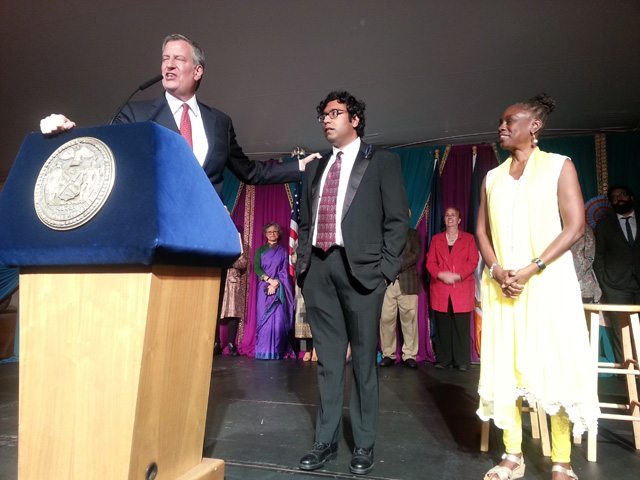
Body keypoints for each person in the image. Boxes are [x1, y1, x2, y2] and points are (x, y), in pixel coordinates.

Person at [476, 94, 598, 480]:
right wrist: (497, 269)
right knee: (505, 367)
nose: (502, 126)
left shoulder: (559, 166)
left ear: (534, 126)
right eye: (500, 120)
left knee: (555, 365)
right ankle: (512, 455)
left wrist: (532, 268)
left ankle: (562, 461)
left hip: (546, 284)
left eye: (510, 120)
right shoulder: (492, 177)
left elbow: (575, 225)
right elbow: (480, 230)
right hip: (502, 287)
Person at [39, 34, 319, 198]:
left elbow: (249, 171)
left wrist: (298, 167)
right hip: (155, 233)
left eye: (179, 59)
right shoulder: (135, 113)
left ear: (197, 71)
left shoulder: (219, 122)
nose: (169, 66)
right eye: (165, 58)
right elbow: (106, 152)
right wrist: (70, 133)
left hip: (206, 233)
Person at [296, 91, 408, 475]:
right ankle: (324, 442)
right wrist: (302, 266)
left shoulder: (382, 162)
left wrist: (384, 272)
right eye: (323, 115)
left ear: (355, 119)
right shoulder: (315, 168)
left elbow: (397, 221)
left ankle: (363, 444)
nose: (327, 120)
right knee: (328, 364)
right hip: (320, 271)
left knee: (363, 362)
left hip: (362, 274)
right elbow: (307, 221)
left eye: (335, 113)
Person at [426, 207, 478, 371]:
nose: (450, 218)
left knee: (461, 326)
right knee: (443, 325)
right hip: (441, 288)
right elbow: (430, 262)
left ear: (459, 220)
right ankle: (444, 359)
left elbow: (473, 261)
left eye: (453, 215)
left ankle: (462, 361)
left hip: (461, 288)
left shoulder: (469, 239)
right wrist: (441, 275)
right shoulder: (436, 239)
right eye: (447, 215)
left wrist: (457, 276)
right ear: (444, 219)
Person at [594, 185, 640, 363]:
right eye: (614, 197)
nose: (619, 198)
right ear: (611, 203)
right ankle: (625, 373)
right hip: (616, 286)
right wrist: (605, 282)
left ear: (631, 197)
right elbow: (599, 256)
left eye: (622, 195)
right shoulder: (604, 225)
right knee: (622, 329)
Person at [379, 220, 421, 369]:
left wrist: (395, 266)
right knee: (386, 319)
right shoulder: (385, 234)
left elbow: (415, 255)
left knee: (409, 320)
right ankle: (388, 354)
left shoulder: (413, 234)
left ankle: (409, 355)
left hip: (407, 282)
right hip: (388, 283)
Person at [254, 222, 295, 360]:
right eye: (269, 232)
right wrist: (269, 280)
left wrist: (276, 284)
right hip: (263, 288)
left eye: (275, 232)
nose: (272, 234)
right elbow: (257, 268)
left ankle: (277, 351)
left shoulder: (283, 251)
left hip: (278, 288)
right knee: (264, 320)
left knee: (277, 320)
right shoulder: (260, 250)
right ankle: (263, 351)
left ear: (279, 234)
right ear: (265, 234)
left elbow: (284, 271)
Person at [215, 244, 249, 356]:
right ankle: (216, 343)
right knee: (214, 313)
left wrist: (228, 260)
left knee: (233, 313)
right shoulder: (215, 245)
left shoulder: (237, 246)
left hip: (232, 285)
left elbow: (243, 263)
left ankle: (231, 343)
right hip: (216, 281)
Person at [570, 223, 602, 304]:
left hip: (584, 281)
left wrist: (578, 274)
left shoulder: (584, 227)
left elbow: (590, 256)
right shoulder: (552, 226)